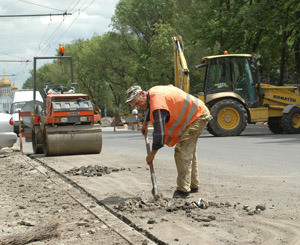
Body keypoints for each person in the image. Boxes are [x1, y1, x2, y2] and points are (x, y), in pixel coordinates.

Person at [125, 85, 212, 198]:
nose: (138, 106)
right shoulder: (151, 93)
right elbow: (148, 108)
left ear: (142, 94)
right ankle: (193, 185)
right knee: (189, 150)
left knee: (181, 150)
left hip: (198, 115)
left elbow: (159, 134)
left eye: (137, 103)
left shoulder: (158, 104)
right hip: (196, 112)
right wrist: (145, 124)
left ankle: (183, 190)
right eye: (135, 105)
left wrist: (152, 154)